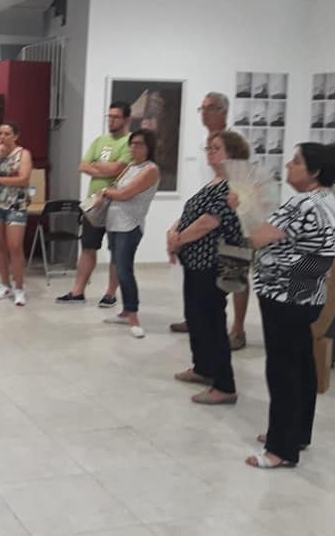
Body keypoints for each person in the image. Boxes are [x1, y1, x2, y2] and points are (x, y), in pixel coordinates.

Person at [236, 143, 335, 469]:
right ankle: (296, 433)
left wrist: (244, 206)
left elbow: (257, 236)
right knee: (302, 364)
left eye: (296, 162)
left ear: (315, 172)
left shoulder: (302, 203)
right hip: (308, 296)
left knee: (282, 370)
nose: (288, 166)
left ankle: (280, 449)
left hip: (285, 296)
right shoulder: (329, 201)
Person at [167, 131, 248, 405]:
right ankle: (203, 368)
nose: (210, 152)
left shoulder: (234, 186)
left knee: (212, 321)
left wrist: (178, 239)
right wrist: (173, 232)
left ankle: (225, 385)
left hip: (214, 263)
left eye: (217, 148)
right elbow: (191, 213)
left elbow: (209, 222)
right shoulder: (214, 182)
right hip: (195, 261)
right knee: (196, 317)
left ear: (233, 154)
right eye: (209, 148)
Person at [171, 91, 251, 352]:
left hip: (231, 217)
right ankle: (195, 318)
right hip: (204, 210)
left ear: (223, 111)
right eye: (202, 108)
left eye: (210, 107)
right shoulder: (201, 143)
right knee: (199, 281)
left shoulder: (235, 140)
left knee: (235, 270)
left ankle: (237, 329)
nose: (204, 112)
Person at [55, 101, 132, 306]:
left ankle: (110, 293)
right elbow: (83, 166)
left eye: (116, 117)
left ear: (126, 119)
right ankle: (78, 291)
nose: (111, 121)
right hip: (93, 203)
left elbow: (119, 169)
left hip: (116, 204)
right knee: (88, 247)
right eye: (109, 116)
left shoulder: (129, 142)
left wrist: (97, 166)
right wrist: (104, 168)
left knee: (116, 250)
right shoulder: (100, 141)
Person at [99, 129, 160, 337]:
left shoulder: (151, 169)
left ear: (149, 147)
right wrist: (108, 193)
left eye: (139, 144)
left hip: (130, 226)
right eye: (132, 144)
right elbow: (118, 189)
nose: (134, 148)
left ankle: (133, 315)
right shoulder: (130, 167)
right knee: (117, 267)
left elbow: (126, 194)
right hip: (114, 223)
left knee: (125, 271)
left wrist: (105, 192)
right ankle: (125, 312)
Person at [0, 122, 33, 307]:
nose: (2, 137)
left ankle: (19, 287)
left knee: (15, 246)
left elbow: (23, 179)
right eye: (0, 133)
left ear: (15, 136)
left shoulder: (23, 154)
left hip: (16, 204)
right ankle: (4, 284)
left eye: (7, 133)